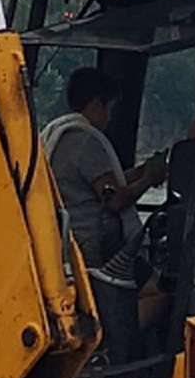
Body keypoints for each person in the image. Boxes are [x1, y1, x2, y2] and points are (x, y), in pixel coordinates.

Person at [38, 67, 138, 270]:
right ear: (95, 104)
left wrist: (140, 172)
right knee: (154, 289)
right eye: (109, 109)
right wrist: (149, 180)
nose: (109, 118)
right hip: (93, 242)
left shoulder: (57, 136)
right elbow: (115, 200)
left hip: (66, 238)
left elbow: (98, 181)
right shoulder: (85, 141)